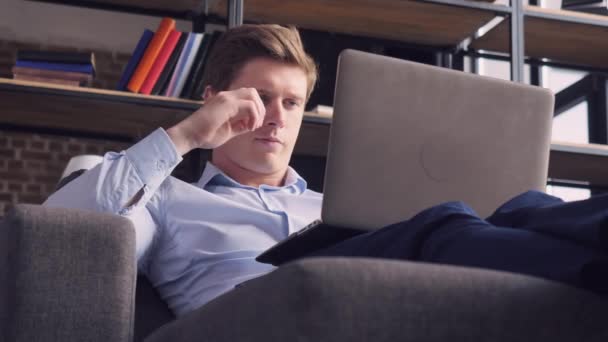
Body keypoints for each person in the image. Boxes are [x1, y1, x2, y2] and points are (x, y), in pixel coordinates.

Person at [45, 24, 608, 317]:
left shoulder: (335, 206)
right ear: (216, 98)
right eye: (260, 97)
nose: (274, 117)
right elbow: (65, 232)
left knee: (523, 207)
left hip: (387, 289)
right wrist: (188, 134)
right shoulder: (165, 198)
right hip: (260, 305)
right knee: (448, 222)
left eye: (291, 103)